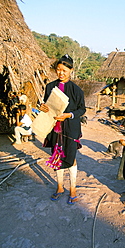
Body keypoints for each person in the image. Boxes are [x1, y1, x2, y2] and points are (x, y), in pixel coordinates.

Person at [39, 54, 86, 205]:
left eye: (64, 70)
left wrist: (68, 115)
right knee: (56, 158)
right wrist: (43, 107)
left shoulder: (77, 90)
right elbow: (47, 106)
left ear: (71, 70)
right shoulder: (49, 87)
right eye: (58, 69)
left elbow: (81, 110)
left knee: (70, 158)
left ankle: (73, 189)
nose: (61, 73)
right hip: (54, 128)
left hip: (70, 129)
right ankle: (59, 187)